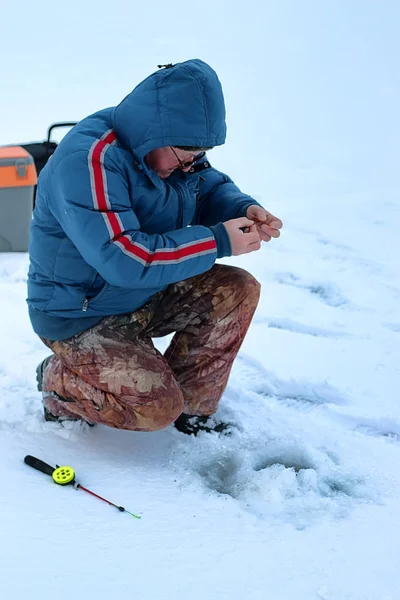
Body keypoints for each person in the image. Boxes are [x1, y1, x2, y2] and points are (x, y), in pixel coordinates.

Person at [27, 59, 282, 435]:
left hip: (144, 293)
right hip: (80, 315)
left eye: (197, 156)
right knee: (154, 409)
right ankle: (59, 380)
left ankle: (190, 410)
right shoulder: (89, 161)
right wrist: (218, 240)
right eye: (185, 155)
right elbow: (123, 258)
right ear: (154, 133)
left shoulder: (175, 153)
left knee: (236, 291)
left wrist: (241, 208)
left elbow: (208, 186)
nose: (190, 165)